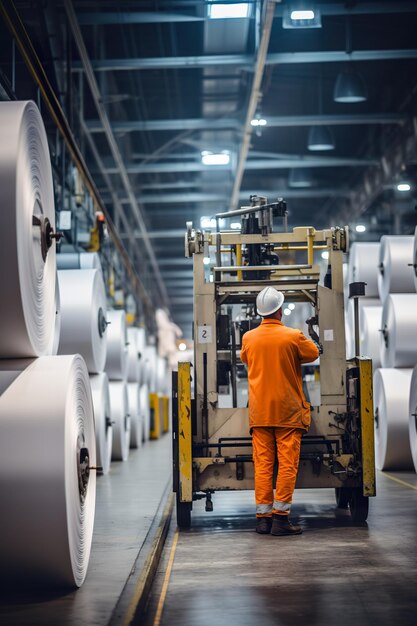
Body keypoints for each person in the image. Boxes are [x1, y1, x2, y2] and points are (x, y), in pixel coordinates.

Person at [240, 286, 319, 536]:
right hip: (287, 413)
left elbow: (245, 359)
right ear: (281, 311)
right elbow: (314, 353)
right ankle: (281, 519)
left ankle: (263, 519)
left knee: (263, 465)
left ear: (259, 313)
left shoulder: (248, 338)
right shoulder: (293, 336)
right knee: (286, 465)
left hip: (260, 413)